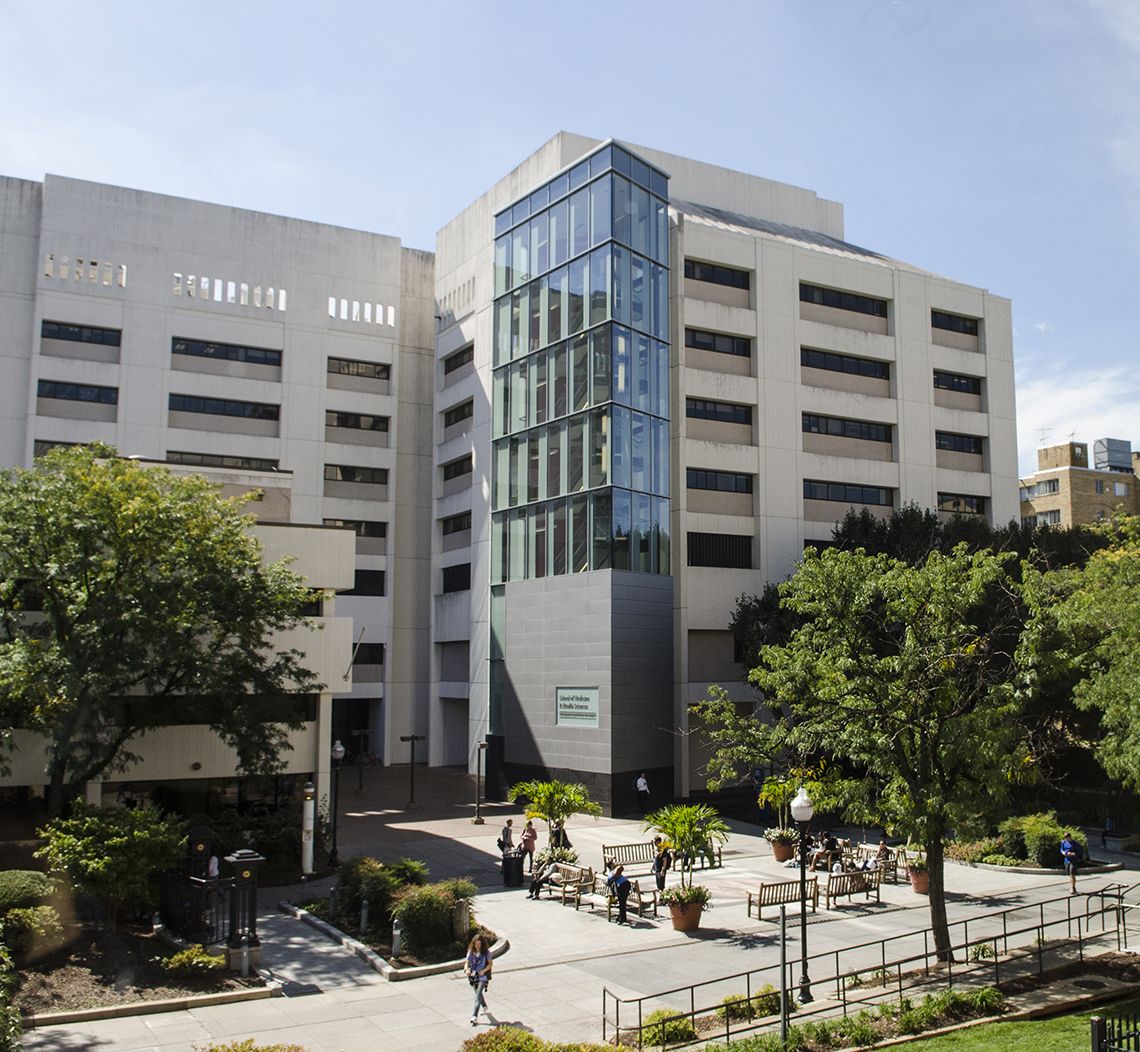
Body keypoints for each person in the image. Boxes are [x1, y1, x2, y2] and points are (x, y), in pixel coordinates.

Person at [464, 933, 493, 1024]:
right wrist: (466, 969)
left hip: (483, 976)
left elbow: (490, 964)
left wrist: (484, 970)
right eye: (476, 944)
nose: (478, 946)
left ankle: (474, 1016)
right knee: (478, 993)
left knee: (477, 995)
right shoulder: (470, 952)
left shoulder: (486, 953)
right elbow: (466, 963)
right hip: (473, 976)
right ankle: (484, 1006)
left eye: (479, 944)